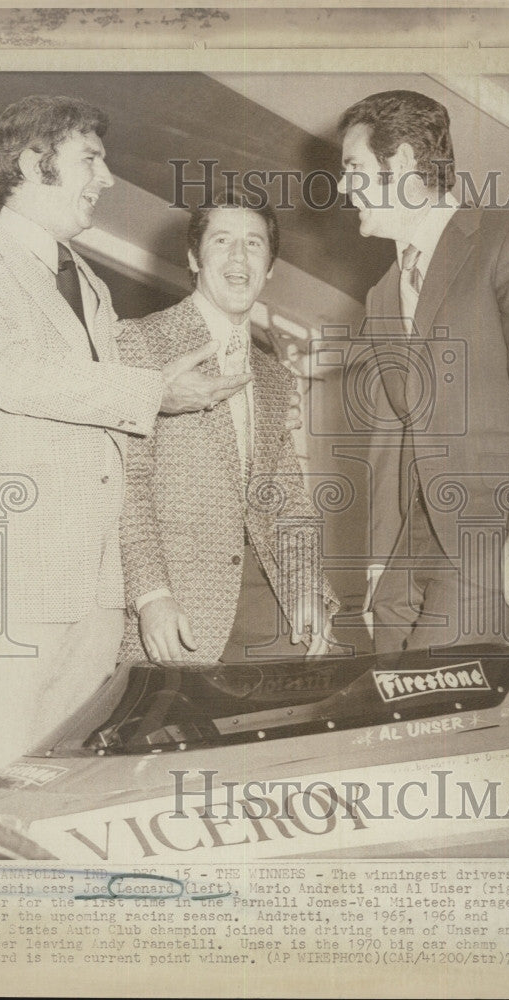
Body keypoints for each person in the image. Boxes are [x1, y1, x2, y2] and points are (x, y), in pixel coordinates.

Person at [0, 95, 261, 791]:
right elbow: (7, 372)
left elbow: (102, 413)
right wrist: (151, 391)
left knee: (63, 784)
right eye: (91, 161)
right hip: (9, 572)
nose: (106, 180)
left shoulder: (94, 287)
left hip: (94, 586)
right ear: (35, 162)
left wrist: (159, 390)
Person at [336, 90, 509, 654]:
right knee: (383, 705)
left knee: (429, 706)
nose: (344, 188)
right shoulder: (380, 294)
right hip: (408, 552)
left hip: (487, 539)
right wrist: (378, 565)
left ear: (398, 165)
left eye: (353, 169)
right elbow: (391, 435)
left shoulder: (507, 237)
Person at [118, 190, 339, 664]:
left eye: (255, 244)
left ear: (271, 266)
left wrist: (307, 589)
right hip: (176, 611)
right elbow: (126, 486)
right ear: (194, 257)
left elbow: (286, 496)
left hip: (267, 606)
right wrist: (151, 596)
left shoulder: (274, 373)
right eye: (222, 240)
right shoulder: (140, 341)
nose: (239, 256)